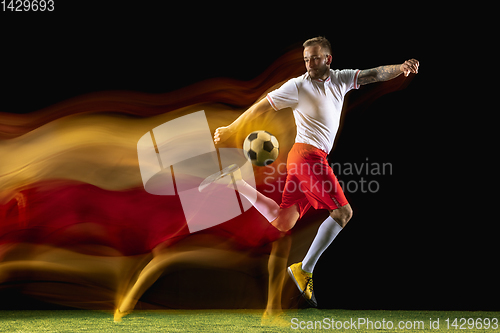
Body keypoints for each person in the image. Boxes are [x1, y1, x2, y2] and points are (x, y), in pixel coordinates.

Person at [214, 36, 419, 308]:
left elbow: (374, 74)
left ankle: (236, 182)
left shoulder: (341, 79)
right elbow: (263, 104)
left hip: (305, 158)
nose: (310, 63)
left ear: (328, 59)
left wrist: (401, 67)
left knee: (284, 221)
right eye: (306, 59)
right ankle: (305, 269)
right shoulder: (297, 85)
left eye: (315, 58)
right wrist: (232, 128)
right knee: (343, 213)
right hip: (306, 156)